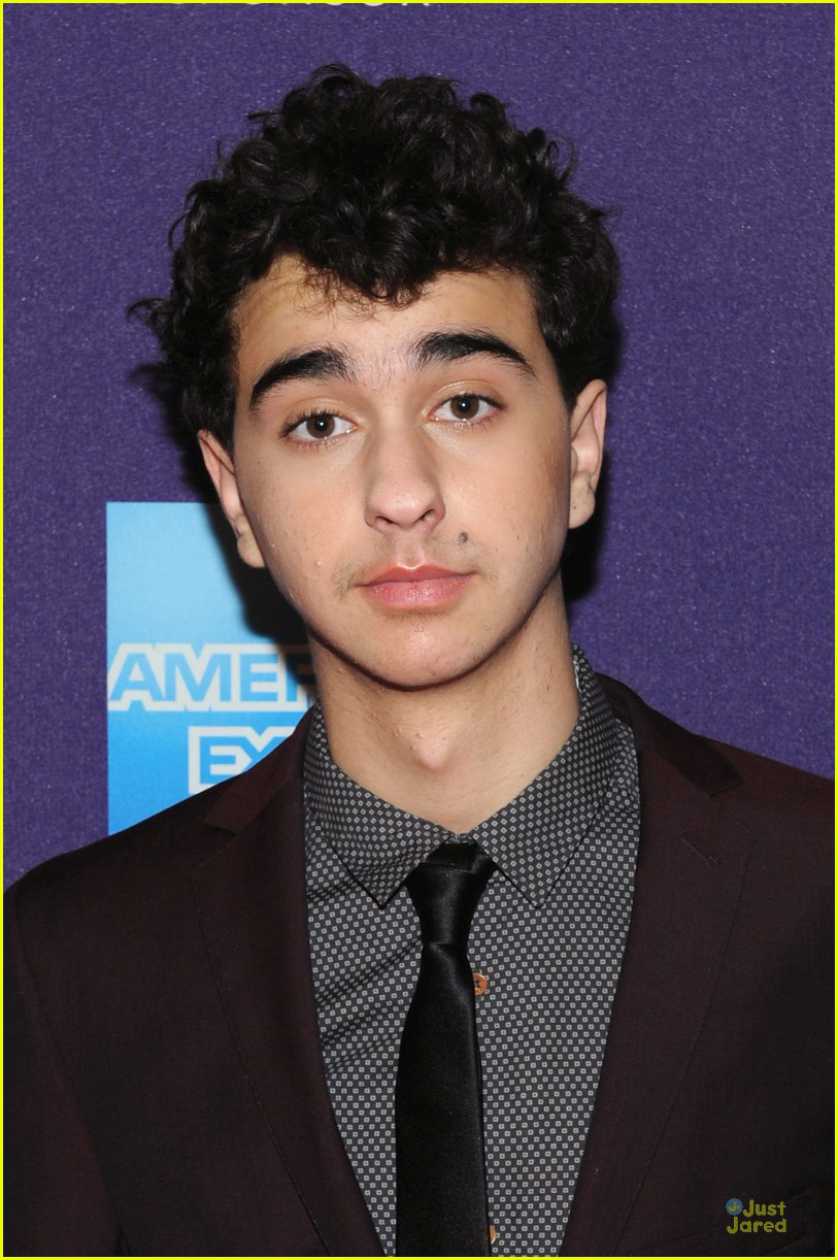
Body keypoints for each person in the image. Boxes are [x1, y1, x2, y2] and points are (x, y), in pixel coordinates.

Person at [6, 65, 831, 1258]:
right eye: (319, 423)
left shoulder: (815, 895)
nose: (401, 492)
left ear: (580, 450)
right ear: (234, 496)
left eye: (465, 404)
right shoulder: (75, 965)